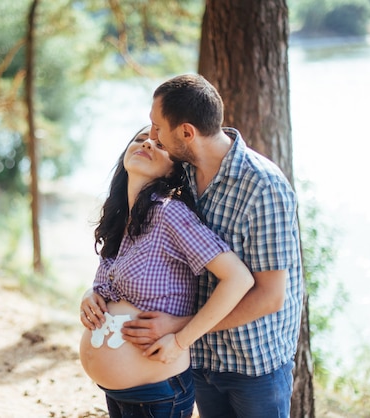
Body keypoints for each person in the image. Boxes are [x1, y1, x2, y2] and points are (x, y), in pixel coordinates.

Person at [121, 74, 304, 418]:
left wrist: (179, 330)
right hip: (200, 358)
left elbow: (270, 296)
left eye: (157, 127)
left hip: (253, 365)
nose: (152, 136)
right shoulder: (180, 176)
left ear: (187, 132)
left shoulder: (263, 187)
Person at [79, 126, 255, 418]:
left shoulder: (169, 212)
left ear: (173, 171)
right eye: (139, 139)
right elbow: (116, 284)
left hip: (157, 396)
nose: (147, 143)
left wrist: (181, 339)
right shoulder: (120, 217)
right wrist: (90, 295)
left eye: (159, 145)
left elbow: (238, 278)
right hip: (118, 392)